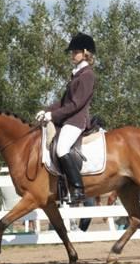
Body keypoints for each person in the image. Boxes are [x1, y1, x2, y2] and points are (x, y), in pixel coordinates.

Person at [35, 32, 96, 205]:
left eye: (75, 52)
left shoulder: (87, 75)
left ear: (85, 52)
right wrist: (46, 111)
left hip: (77, 120)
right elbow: (63, 101)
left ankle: (77, 188)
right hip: (68, 119)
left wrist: (52, 116)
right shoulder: (77, 74)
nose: (72, 55)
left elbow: (76, 104)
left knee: (62, 148)